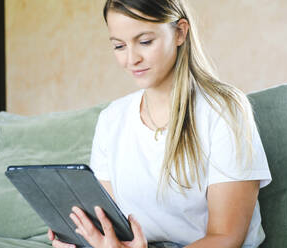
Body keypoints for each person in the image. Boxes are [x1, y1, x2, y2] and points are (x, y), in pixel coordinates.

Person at [48, 0, 272, 247]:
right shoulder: (111, 118)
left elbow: (226, 238)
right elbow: (110, 224)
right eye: (119, 46)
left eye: (145, 42)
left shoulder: (224, 110)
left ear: (180, 32)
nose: (131, 59)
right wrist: (84, 239)